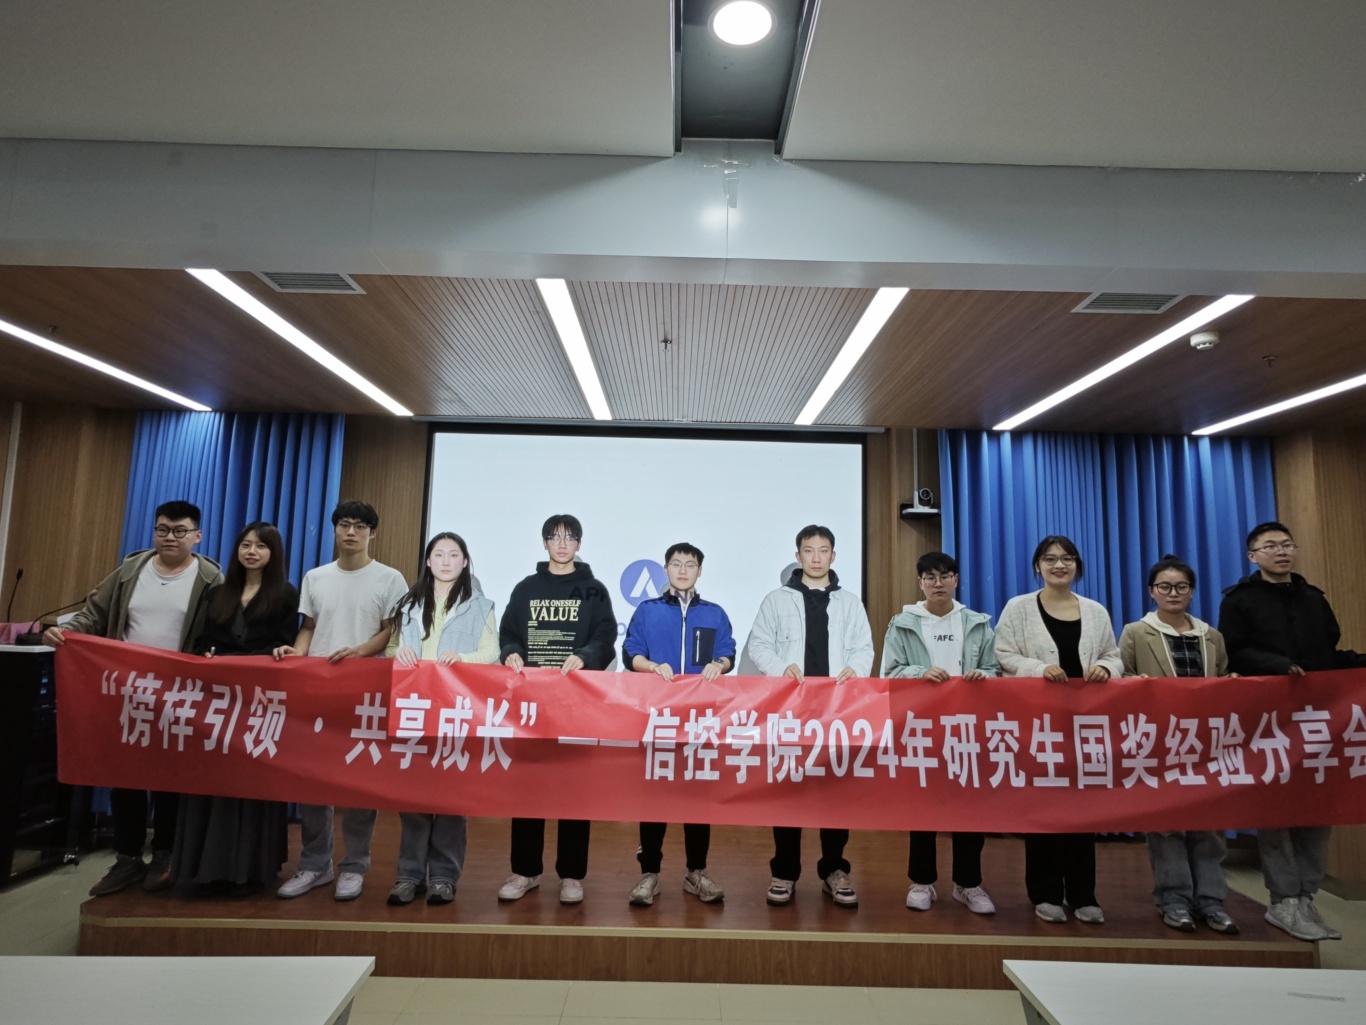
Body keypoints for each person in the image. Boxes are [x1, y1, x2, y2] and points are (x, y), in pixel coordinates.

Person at [43, 500, 222, 897]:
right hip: (126, 692)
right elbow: (94, 613)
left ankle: (164, 855)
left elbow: (220, 631)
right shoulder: (130, 570)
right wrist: (65, 633)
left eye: (179, 531)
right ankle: (127, 858)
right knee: (125, 776)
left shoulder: (211, 579)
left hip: (179, 696)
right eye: (162, 530)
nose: (170, 537)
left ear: (197, 536)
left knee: (171, 778)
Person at [1219, 521, 1366, 943]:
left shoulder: (1313, 598)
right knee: (1277, 809)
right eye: (1270, 546)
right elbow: (1234, 652)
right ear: (1253, 556)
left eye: (1286, 544)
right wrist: (1276, 666)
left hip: (1321, 721)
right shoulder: (1239, 600)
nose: (1281, 552)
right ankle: (1283, 898)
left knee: (1318, 806)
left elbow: (1329, 653)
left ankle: (1306, 896)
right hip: (1270, 721)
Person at [272, 500, 408, 902]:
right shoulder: (316, 577)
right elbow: (309, 627)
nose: (351, 532)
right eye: (344, 524)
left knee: (359, 784)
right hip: (318, 691)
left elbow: (392, 631)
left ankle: (354, 866)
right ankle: (316, 864)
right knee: (313, 782)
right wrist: (297, 653)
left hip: (365, 692)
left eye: (360, 526)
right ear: (334, 529)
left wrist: (359, 653)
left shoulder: (390, 578)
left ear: (372, 533)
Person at [741, 525, 874, 908]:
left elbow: (863, 648)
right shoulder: (776, 600)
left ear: (834, 555)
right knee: (788, 791)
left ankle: (834, 869)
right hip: (791, 710)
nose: (816, 557)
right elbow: (759, 645)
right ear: (797, 555)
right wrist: (780, 668)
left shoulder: (850, 602)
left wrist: (855, 670)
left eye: (823, 550)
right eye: (809, 550)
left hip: (836, 711)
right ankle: (784, 872)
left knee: (835, 793)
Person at [994, 534, 1121, 925]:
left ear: (1077, 565)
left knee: (1083, 810)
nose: (1059, 565)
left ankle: (1083, 894)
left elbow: (1113, 655)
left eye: (1067, 558)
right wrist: (1037, 668)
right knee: (1044, 808)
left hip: (1085, 724)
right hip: (1039, 724)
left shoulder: (1095, 611)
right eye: (1049, 559)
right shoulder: (1018, 608)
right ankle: (1046, 892)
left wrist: (1107, 668)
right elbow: (1003, 654)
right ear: (1038, 566)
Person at [496, 514, 617, 905]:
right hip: (532, 705)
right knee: (528, 788)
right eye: (554, 537)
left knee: (573, 789)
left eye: (569, 538)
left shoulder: (594, 590)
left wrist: (586, 655)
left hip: (577, 704)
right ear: (544, 542)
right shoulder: (526, 588)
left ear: (579, 544)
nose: (562, 544)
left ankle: (572, 875)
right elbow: (508, 632)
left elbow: (606, 636)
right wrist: (511, 652)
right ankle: (525, 870)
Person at [173, 521, 299, 897]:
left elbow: (285, 643)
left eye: (260, 546)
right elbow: (199, 643)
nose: (251, 552)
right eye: (245, 545)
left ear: (273, 553)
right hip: (217, 702)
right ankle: (204, 867)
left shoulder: (286, 594)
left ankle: (250, 868)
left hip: (259, 703)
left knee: (253, 783)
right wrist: (208, 656)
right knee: (213, 781)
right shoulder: (217, 592)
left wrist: (261, 658)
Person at [1119, 554, 1238, 935]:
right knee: (1166, 824)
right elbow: (1120, 679)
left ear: (1192, 591)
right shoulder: (1136, 632)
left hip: (1206, 741)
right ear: (1151, 592)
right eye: (1165, 586)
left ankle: (1212, 901)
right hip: (1160, 739)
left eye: (1181, 586)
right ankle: (1173, 899)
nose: (1173, 593)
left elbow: (1222, 676)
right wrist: (1133, 684)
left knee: (1210, 823)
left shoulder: (1211, 635)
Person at [880, 551, 998, 916]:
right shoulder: (903, 623)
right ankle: (921, 881)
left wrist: (984, 675)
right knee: (923, 808)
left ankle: (968, 883)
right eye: (930, 577)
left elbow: (996, 669)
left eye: (945, 576)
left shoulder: (977, 622)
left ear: (956, 580)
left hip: (968, 728)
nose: (938, 583)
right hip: (922, 728)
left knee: (970, 809)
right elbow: (889, 672)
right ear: (920, 583)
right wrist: (920, 673)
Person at [385, 532, 498, 907]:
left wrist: (463, 659)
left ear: (465, 562)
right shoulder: (408, 603)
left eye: (454, 555)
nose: (446, 561)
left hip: (456, 711)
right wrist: (398, 653)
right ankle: (409, 875)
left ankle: (444, 878)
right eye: (439, 554)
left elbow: (492, 653)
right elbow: (391, 648)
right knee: (413, 797)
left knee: (451, 799)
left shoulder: (481, 605)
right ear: (428, 561)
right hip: (415, 709)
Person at [621, 542, 736, 907]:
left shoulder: (714, 613)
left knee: (697, 796)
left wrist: (720, 663)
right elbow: (630, 652)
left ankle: (696, 872)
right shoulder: (648, 610)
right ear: (666, 569)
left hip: (701, 719)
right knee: (654, 796)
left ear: (699, 571)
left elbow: (728, 651)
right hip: (658, 717)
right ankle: (649, 874)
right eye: (676, 563)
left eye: (690, 564)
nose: (683, 570)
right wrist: (652, 667)